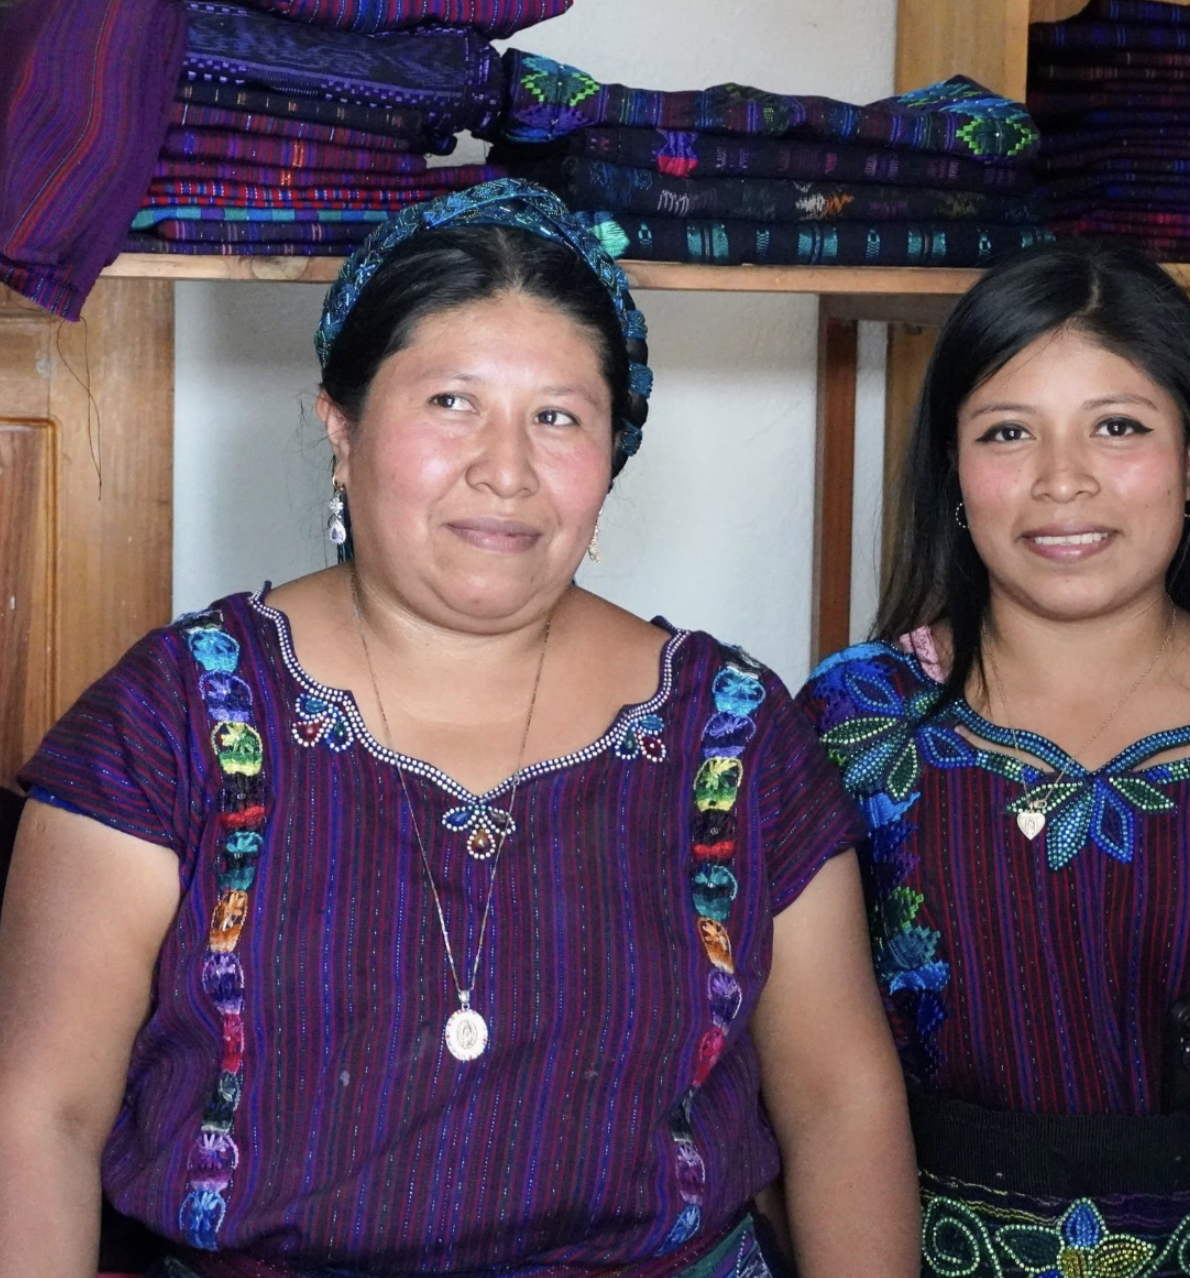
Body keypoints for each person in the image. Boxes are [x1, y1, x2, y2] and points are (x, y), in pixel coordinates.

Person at [0, 180, 919, 1278]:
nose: (506, 469)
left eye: (558, 417)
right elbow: (40, 1114)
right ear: (340, 424)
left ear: (612, 451)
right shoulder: (177, 716)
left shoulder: (731, 732)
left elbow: (839, 1101)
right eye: (450, 402)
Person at [798, 240, 1190, 1278]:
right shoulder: (852, 723)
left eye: (1119, 427)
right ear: (953, 467)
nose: (1063, 480)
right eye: (1008, 432)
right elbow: (803, 1085)